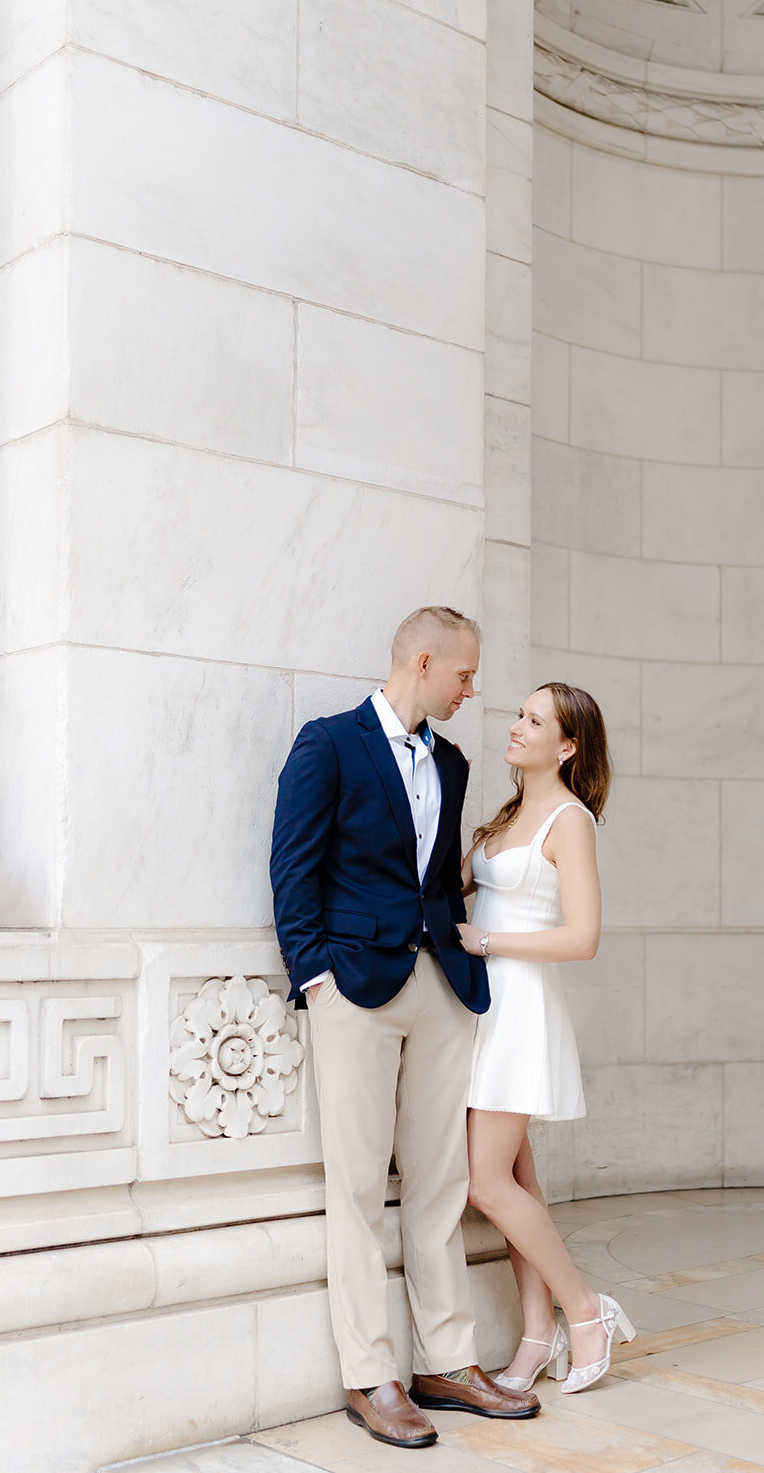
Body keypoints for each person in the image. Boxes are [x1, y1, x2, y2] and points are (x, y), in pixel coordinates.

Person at [269, 606, 540, 1451]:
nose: (471, 690)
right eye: (464, 676)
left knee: (438, 1184)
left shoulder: (450, 762)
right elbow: (292, 865)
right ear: (423, 663)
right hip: (355, 986)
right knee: (354, 1185)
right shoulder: (330, 743)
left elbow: (436, 874)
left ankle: (446, 1361)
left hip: (440, 985)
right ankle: (371, 1374)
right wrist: (316, 977)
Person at [454, 682, 635, 1396]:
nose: (516, 725)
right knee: (516, 1181)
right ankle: (536, 1333)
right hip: (480, 1009)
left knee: (484, 1181)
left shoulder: (570, 820)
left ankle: (586, 1309)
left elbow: (582, 937)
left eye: (535, 720)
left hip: (520, 1010)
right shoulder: (501, 817)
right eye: (518, 714)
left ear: (567, 746)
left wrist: (487, 939)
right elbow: (444, 884)